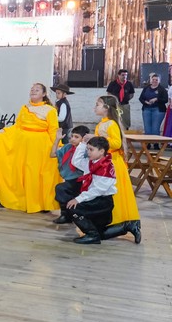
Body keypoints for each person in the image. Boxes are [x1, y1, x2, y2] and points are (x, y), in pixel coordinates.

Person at [0, 83, 61, 213]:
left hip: (39, 147)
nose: (33, 91)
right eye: (32, 89)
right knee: (18, 172)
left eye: (37, 90)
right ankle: (15, 199)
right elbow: (17, 126)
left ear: (44, 94)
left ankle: (39, 203)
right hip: (21, 145)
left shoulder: (50, 110)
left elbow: (53, 130)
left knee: (35, 173)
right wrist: (3, 132)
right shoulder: (25, 107)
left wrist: (57, 146)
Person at [91, 95, 141, 242]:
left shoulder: (111, 124)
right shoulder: (101, 124)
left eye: (98, 104)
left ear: (106, 108)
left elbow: (116, 143)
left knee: (113, 193)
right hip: (103, 161)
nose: (95, 107)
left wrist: (97, 141)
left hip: (112, 162)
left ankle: (121, 221)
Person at [66, 136, 117, 244]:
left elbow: (98, 190)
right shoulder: (92, 162)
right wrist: (82, 144)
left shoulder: (106, 167)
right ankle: (129, 225)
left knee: (73, 208)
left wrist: (78, 199)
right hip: (94, 198)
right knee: (101, 233)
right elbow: (76, 161)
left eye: (91, 150)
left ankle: (92, 235)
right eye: (87, 149)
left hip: (102, 202)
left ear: (101, 151)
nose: (88, 152)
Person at [50, 125, 89, 224]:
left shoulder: (85, 150)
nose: (72, 139)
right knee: (66, 193)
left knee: (61, 188)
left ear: (84, 138)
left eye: (76, 137)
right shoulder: (67, 147)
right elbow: (52, 154)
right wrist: (57, 139)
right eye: (72, 136)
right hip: (69, 178)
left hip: (80, 179)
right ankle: (68, 214)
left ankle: (66, 214)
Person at [139, 72, 168, 140]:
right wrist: (145, 102)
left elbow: (165, 100)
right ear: (151, 80)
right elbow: (141, 98)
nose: (154, 81)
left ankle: (156, 143)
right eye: (153, 79)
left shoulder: (162, 89)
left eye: (156, 80)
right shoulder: (146, 88)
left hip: (158, 110)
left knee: (155, 128)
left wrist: (157, 99)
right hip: (146, 109)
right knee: (147, 128)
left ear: (159, 81)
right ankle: (148, 143)